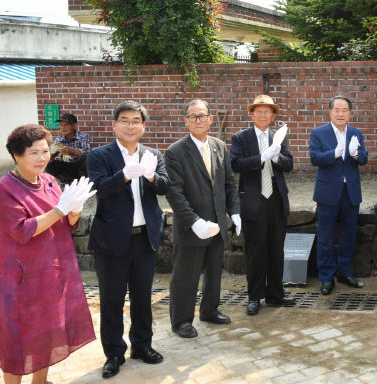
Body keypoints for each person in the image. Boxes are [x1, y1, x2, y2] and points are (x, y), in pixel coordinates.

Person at [0, 124, 95, 384]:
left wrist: (75, 209)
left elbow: (66, 222)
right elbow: (21, 229)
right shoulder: (4, 188)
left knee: (47, 331)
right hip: (20, 277)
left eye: (45, 151)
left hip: (51, 271)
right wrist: (60, 210)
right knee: (17, 336)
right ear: (17, 155)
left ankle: (40, 381)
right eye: (34, 153)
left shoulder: (49, 181)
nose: (42, 158)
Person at [87, 101, 170, 378]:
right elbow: (98, 189)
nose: (131, 125)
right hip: (111, 239)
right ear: (114, 125)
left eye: (136, 121)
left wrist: (149, 176)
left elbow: (165, 185)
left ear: (143, 126)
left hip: (144, 237)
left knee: (143, 296)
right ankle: (113, 353)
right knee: (111, 299)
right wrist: (123, 175)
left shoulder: (153, 154)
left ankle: (142, 345)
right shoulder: (99, 155)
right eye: (125, 120)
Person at [165, 100, 241, 338]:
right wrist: (193, 221)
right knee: (186, 275)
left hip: (217, 223)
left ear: (210, 119)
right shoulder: (175, 152)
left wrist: (234, 211)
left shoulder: (219, 146)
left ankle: (210, 310)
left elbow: (229, 183)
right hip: (191, 227)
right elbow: (174, 193)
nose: (198, 120)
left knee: (214, 271)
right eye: (193, 117)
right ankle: (181, 321)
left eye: (202, 116)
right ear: (186, 121)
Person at [230, 94, 294, 315]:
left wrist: (275, 157)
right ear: (252, 114)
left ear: (273, 115)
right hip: (253, 200)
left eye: (268, 111)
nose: (263, 114)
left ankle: (276, 295)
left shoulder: (279, 136)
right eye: (259, 111)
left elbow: (289, 164)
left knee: (276, 249)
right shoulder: (241, 137)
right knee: (256, 251)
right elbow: (235, 163)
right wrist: (260, 158)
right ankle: (254, 297)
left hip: (276, 198)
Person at [309, 96, 369, 295]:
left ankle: (345, 272)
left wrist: (354, 154)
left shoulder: (356, 133)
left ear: (350, 113)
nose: (341, 113)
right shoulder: (318, 133)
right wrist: (334, 153)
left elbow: (364, 159)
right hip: (327, 193)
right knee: (325, 237)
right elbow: (315, 158)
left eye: (345, 110)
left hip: (350, 193)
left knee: (348, 235)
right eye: (337, 110)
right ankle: (326, 278)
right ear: (330, 112)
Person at [46, 113, 91, 184]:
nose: (63, 128)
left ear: (74, 125)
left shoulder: (83, 136)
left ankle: (82, 182)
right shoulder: (58, 139)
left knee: (86, 158)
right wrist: (52, 153)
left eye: (66, 125)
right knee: (50, 165)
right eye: (61, 125)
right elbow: (51, 157)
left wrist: (71, 150)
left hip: (79, 167)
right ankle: (67, 182)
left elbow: (87, 152)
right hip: (66, 166)